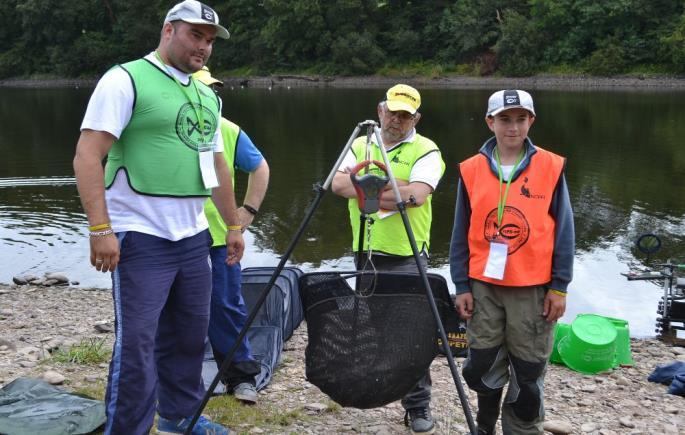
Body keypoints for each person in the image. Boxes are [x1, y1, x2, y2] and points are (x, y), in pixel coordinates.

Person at [72, 2, 243, 434]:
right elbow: (88, 156)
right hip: (140, 237)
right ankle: (127, 428)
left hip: (193, 237)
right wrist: (100, 229)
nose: (203, 46)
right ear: (169, 30)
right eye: (194, 35)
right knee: (138, 347)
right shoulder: (125, 79)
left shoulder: (206, 93)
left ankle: (178, 418)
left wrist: (234, 225)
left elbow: (217, 167)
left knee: (189, 337)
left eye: (208, 40)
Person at [449, 90, 575, 435]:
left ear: (531, 121)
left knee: (527, 372)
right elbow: (461, 232)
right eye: (504, 119)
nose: (513, 127)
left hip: (533, 289)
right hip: (483, 287)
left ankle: (522, 429)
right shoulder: (470, 170)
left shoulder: (551, 166)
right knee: (482, 367)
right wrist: (461, 284)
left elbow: (564, 231)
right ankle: (485, 427)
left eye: (521, 119)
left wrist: (559, 287)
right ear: (490, 122)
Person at [332, 84, 445, 435]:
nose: (397, 120)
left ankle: (417, 406)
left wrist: (367, 187)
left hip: (408, 254)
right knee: (380, 328)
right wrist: (395, 189)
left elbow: (417, 195)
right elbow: (337, 185)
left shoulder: (427, 149)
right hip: (366, 252)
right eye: (393, 112)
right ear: (381, 110)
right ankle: (385, 386)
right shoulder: (360, 143)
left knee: (412, 334)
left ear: (417, 118)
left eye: (406, 115)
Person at [193, 66, 270, 404]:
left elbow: (260, 167)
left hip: (221, 236)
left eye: (214, 90)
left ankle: (240, 377)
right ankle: (173, 378)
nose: (211, 96)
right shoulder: (167, 126)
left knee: (226, 305)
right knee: (174, 308)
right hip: (174, 236)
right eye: (203, 89)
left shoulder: (228, 130)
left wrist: (248, 212)